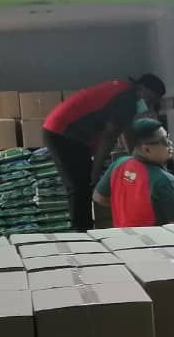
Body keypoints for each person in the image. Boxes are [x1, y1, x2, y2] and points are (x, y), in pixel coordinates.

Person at [43, 75, 166, 230]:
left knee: (84, 184)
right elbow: (109, 137)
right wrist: (95, 172)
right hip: (62, 132)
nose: (148, 105)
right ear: (141, 88)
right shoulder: (126, 99)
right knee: (79, 186)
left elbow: (126, 130)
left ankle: (85, 229)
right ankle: (81, 233)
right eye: (149, 100)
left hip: (75, 135)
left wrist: (136, 159)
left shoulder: (127, 92)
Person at [92, 119, 174, 228]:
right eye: (164, 141)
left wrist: (127, 209)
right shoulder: (165, 181)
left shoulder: (119, 164)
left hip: (122, 236)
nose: (170, 143)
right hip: (154, 238)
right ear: (147, 149)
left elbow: (98, 197)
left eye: (168, 137)